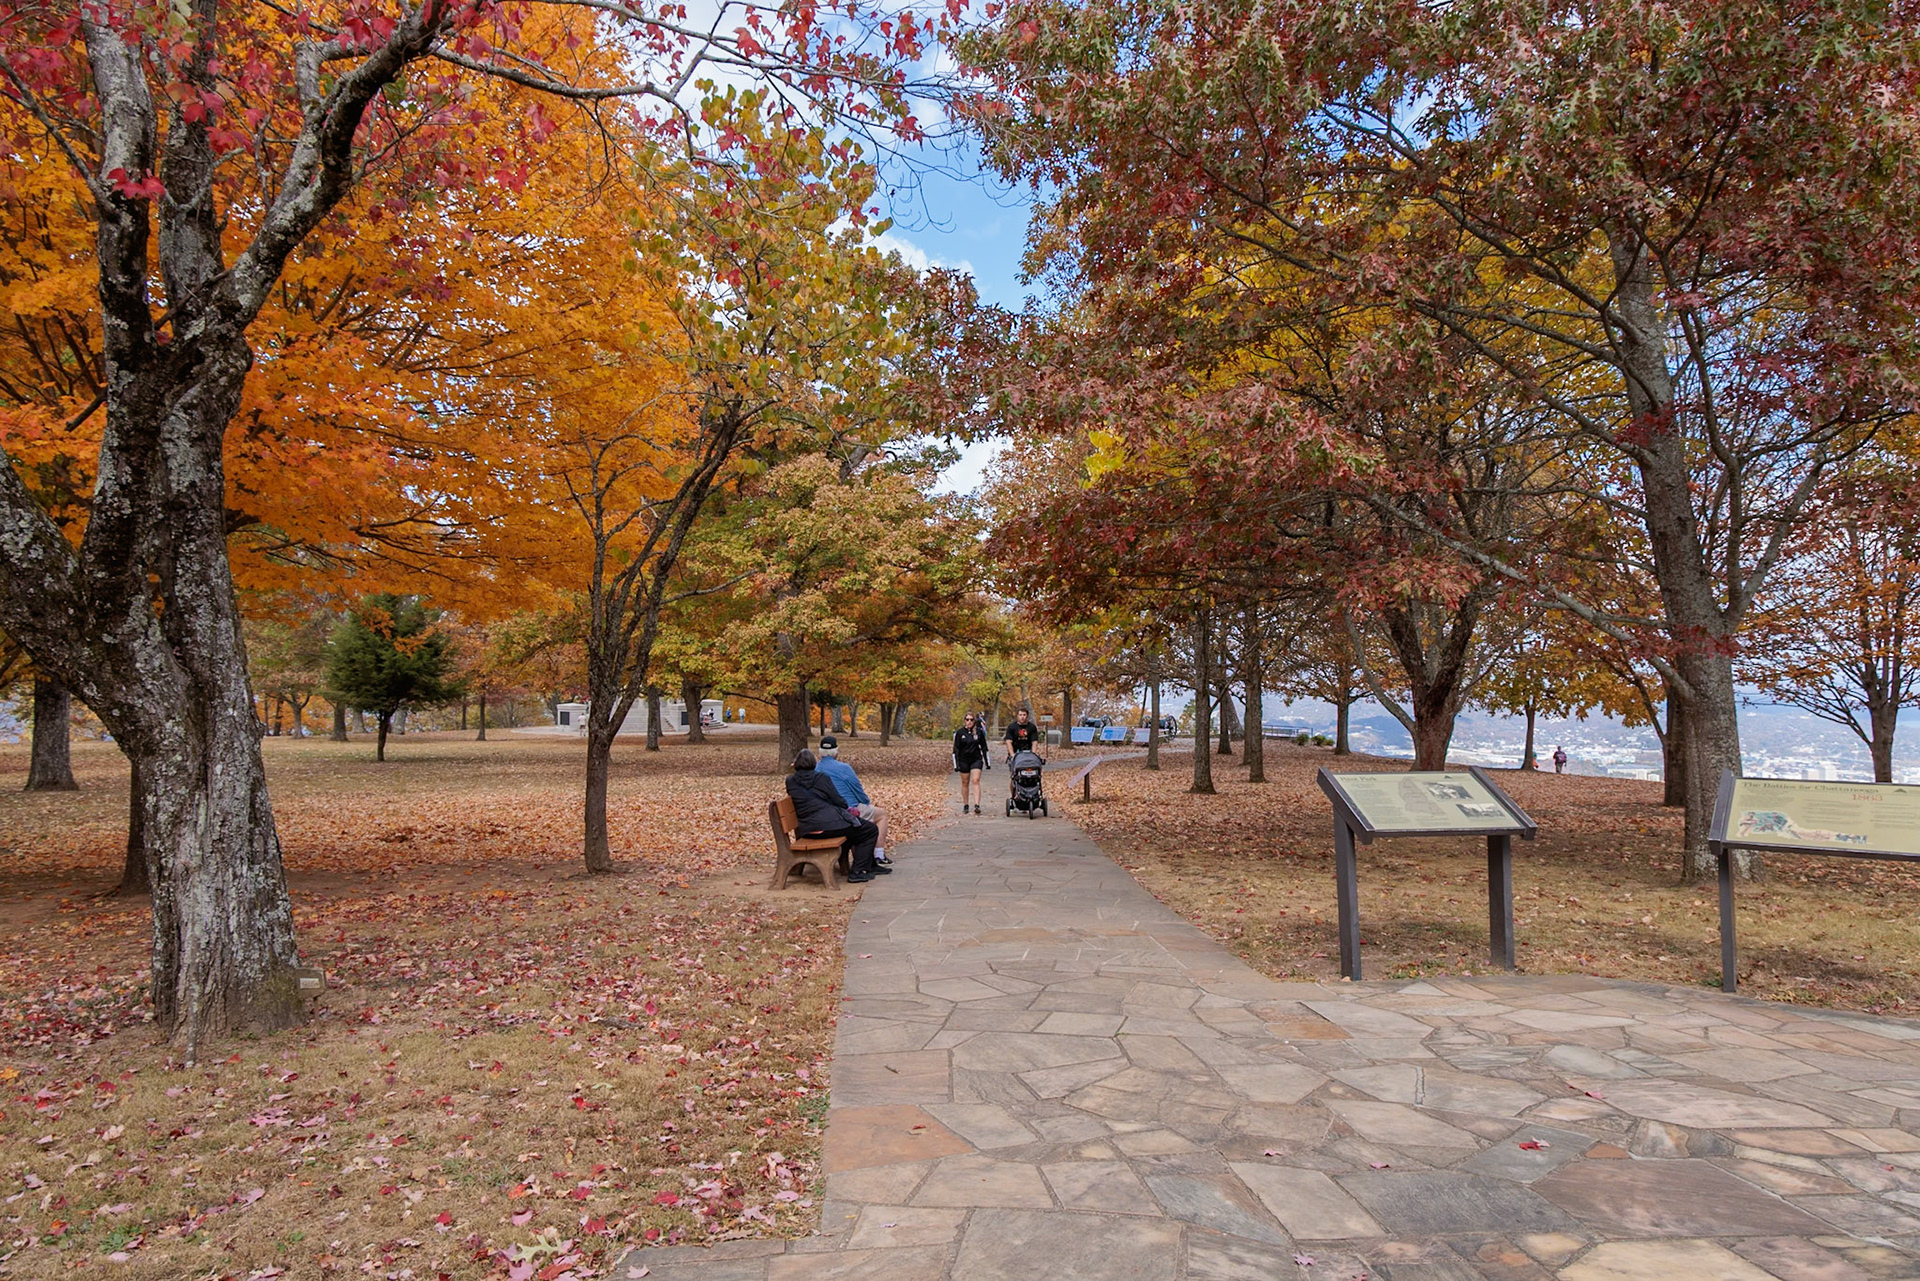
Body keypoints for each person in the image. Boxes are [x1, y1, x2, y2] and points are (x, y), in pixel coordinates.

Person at [786, 749, 885, 882]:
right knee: (869, 830)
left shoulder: (790, 781)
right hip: (828, 826)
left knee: (856, 831)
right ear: (813, 763)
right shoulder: (822, 778)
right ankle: (858, 871)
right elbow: (839, 801)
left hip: (808, 829)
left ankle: (869, 866)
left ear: (796, 764)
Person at [817, 736, 890, 865]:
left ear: (820, 752)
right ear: (836, 752)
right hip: (847, 811)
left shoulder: (815, 769)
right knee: (882, 814)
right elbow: (858, 790)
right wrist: (866, 803)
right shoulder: (844, 768)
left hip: (825, 815)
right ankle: (879, 854)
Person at [952, 713, 988, 815]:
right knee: (965, 782)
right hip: (963, 760)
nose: (969, 722)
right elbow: (956, 749)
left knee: (975, 780)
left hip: (976, 759)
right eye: (967, 720)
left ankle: (977, 805)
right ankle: (966, 804)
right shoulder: (960, 733)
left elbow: (984, 747)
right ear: (964, 721)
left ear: (974, 721)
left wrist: (987, 762)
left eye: (971, 720)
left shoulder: (979, 732)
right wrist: (956, 764)